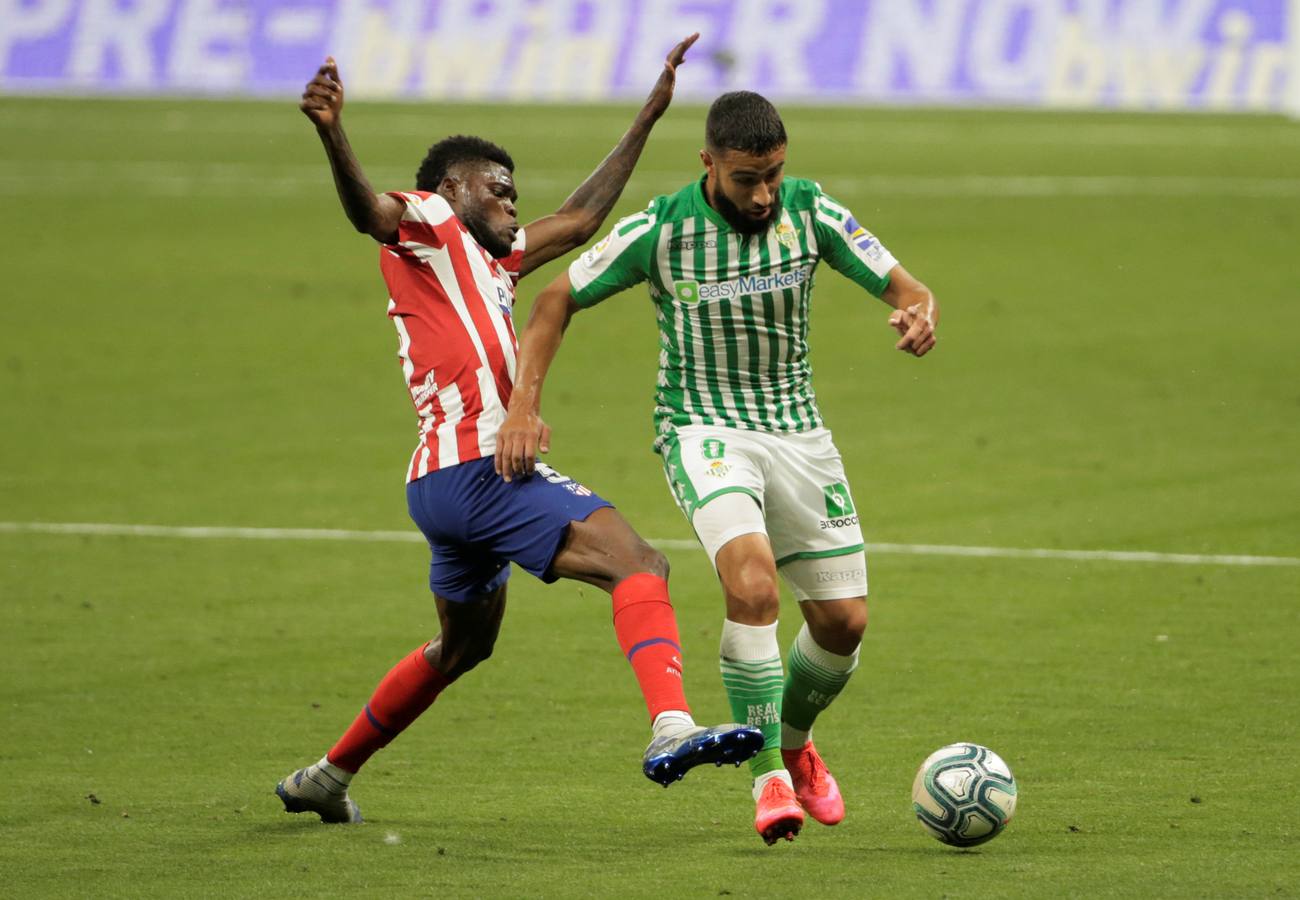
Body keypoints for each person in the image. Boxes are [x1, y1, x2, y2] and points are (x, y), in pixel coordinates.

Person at [276, 39, 765, 827]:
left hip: (440, 484)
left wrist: (649, 113)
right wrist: (334, 133)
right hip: (478, 466)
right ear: (448, 189)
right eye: (496, 188)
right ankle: (671, 724)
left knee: (463, 648)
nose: (510, 200)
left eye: (513, 191)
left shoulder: (492, 264)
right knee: (638, 563)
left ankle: (327, 775)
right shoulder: (429, 224)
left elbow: (577, 220)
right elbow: (372, 213)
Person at [497, 90, 939, 845]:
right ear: (708, 163)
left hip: (797, 431)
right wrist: (521, 406)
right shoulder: (663, 229)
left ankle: (795, 743)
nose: (763, 194)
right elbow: (552, 299)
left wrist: (918, 310)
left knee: (843, 624)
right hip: (701, 430)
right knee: (753, 584)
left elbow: (907, 285)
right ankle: (769, 776)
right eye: (745, 179)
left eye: (772, 175)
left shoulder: (812, 212)